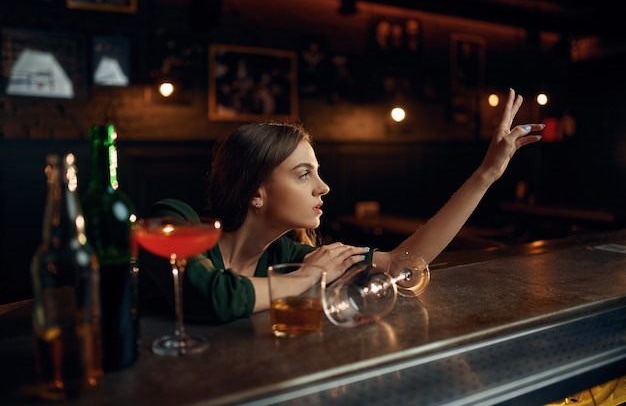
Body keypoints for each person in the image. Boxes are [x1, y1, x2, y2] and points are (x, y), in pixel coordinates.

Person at [139, 88, 544, 324]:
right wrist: (306, 279)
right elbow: (212, 297)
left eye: (318, 172)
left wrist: (486, 175)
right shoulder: (173, 219)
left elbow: (405, 263)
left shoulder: (289, 255)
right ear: (254, 192)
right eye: (303, 175)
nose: (324, 187)